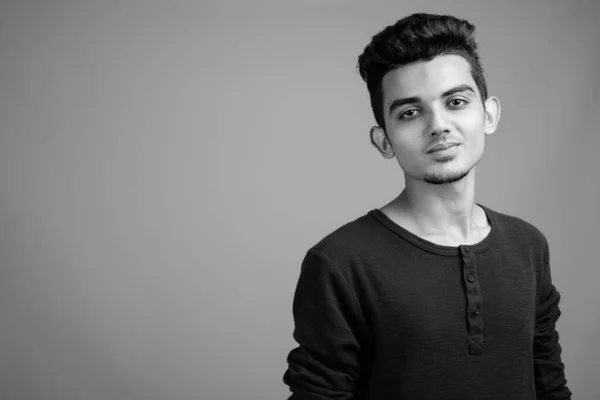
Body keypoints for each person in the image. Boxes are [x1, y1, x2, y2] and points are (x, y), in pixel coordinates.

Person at [282, 12, 571, 400]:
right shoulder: (340, 263)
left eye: (455, 101)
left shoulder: (528, 245)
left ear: (488, 114)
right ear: (383, 141)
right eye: (410, 112)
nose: (439, 125)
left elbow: (550, 386)